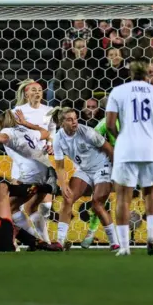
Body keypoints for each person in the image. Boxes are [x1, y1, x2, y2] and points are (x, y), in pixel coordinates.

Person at [106, 61, 153, 256]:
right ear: (148, 74)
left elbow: (110, 123)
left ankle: (125, 248)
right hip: (151, 148)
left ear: (130, 73)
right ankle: (152, 237)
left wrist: (121, 136)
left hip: (126, 148)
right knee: (151, 193)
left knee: (123, 197)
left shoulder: (118, 92)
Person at [83, 117, 153, 248]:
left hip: (138, 161)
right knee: (101, 195)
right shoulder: (109, 120)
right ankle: (90, 233)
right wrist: (105, 149)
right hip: (117, 163)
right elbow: (92, 136)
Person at [49, 107, 118, 250]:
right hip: (84, 170)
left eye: (75, 119)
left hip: (102, 166)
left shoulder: (87, 132)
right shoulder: (58, 139)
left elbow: (110, 150)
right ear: (62, 123)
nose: (74, 122)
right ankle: (60, 242)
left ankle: (115, 242)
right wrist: (62, 185)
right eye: (69, 120)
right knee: (67, 198)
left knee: (97, 204)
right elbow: (60, 166)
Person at [0, 110, 57, 239]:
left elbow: (1, 137)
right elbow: (46, 133)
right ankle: (45, 242)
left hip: (32, 176)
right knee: (32, 208)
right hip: (47, 173)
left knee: (11, 209)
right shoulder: (25, 130)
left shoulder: (8, 132)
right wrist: (26, 123)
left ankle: (38, 241)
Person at [12, 79, 56, 243]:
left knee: (43, 203)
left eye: (39, 90)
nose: (38, 92)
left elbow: (51, 131)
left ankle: (44, 240)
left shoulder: (49, 110)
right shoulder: (17, 111)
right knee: (15, 203)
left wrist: (51, 144)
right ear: (26, 93)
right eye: (33, 90)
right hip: (22, 161)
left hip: (41, 161)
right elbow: (15, 135)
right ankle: (24, 240)